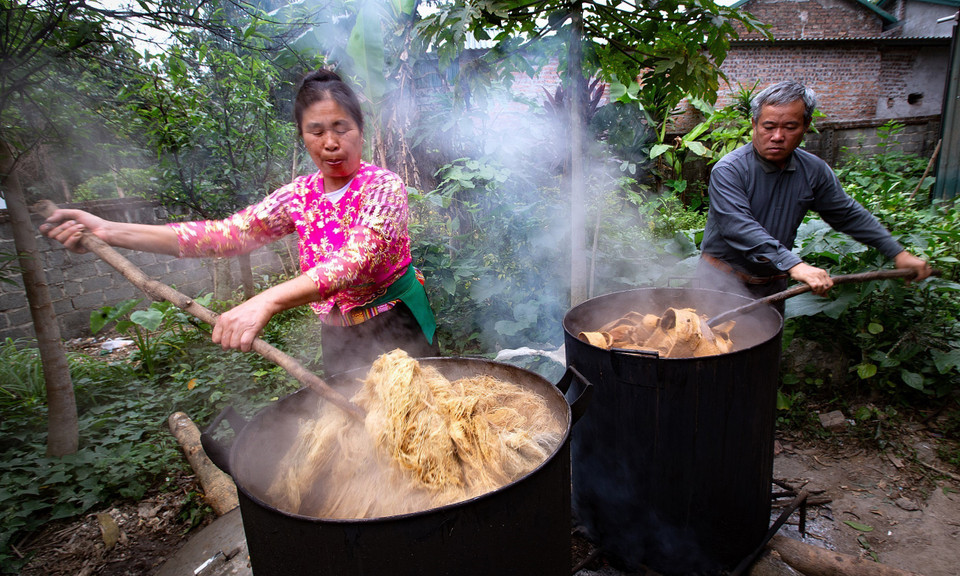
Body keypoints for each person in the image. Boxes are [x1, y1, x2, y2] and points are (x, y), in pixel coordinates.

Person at [41, 69, 439, 376]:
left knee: (422, 424)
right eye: (316, 131)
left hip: (394, 322)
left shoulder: (384, 186)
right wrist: (106, 231)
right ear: (302, 137)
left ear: (360, 130)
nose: (331, 143)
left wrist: (265, 300)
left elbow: (358, 260)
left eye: (341, 128)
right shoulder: (299, 195)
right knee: (356, 431)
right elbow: (227, 235)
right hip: (337, 333)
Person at [697, 80, 931, 306]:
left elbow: (847, 214)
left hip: (771, 286)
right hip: (720, 284)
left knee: (763, 345)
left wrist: (897, 252)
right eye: (769, 127)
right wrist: (795, 265)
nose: (778, 136)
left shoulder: (813, 171)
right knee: (707, 342)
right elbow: (738, 226)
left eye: (790, 127)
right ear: (754, 123)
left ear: (806, 126)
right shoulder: (730, 170)